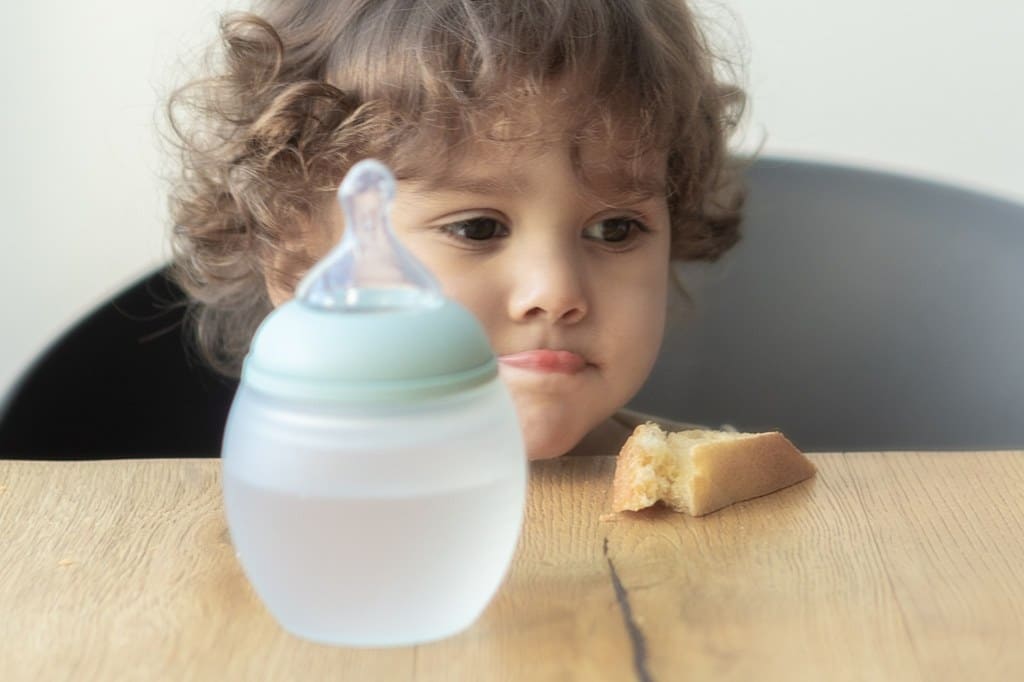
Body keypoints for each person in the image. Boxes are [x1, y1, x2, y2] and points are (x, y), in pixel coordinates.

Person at [167, 0, 747, 460]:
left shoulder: (733, 507)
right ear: (297, 257)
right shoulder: (276, 505)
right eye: (477, 229)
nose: (555, 293)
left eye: (615, 229)